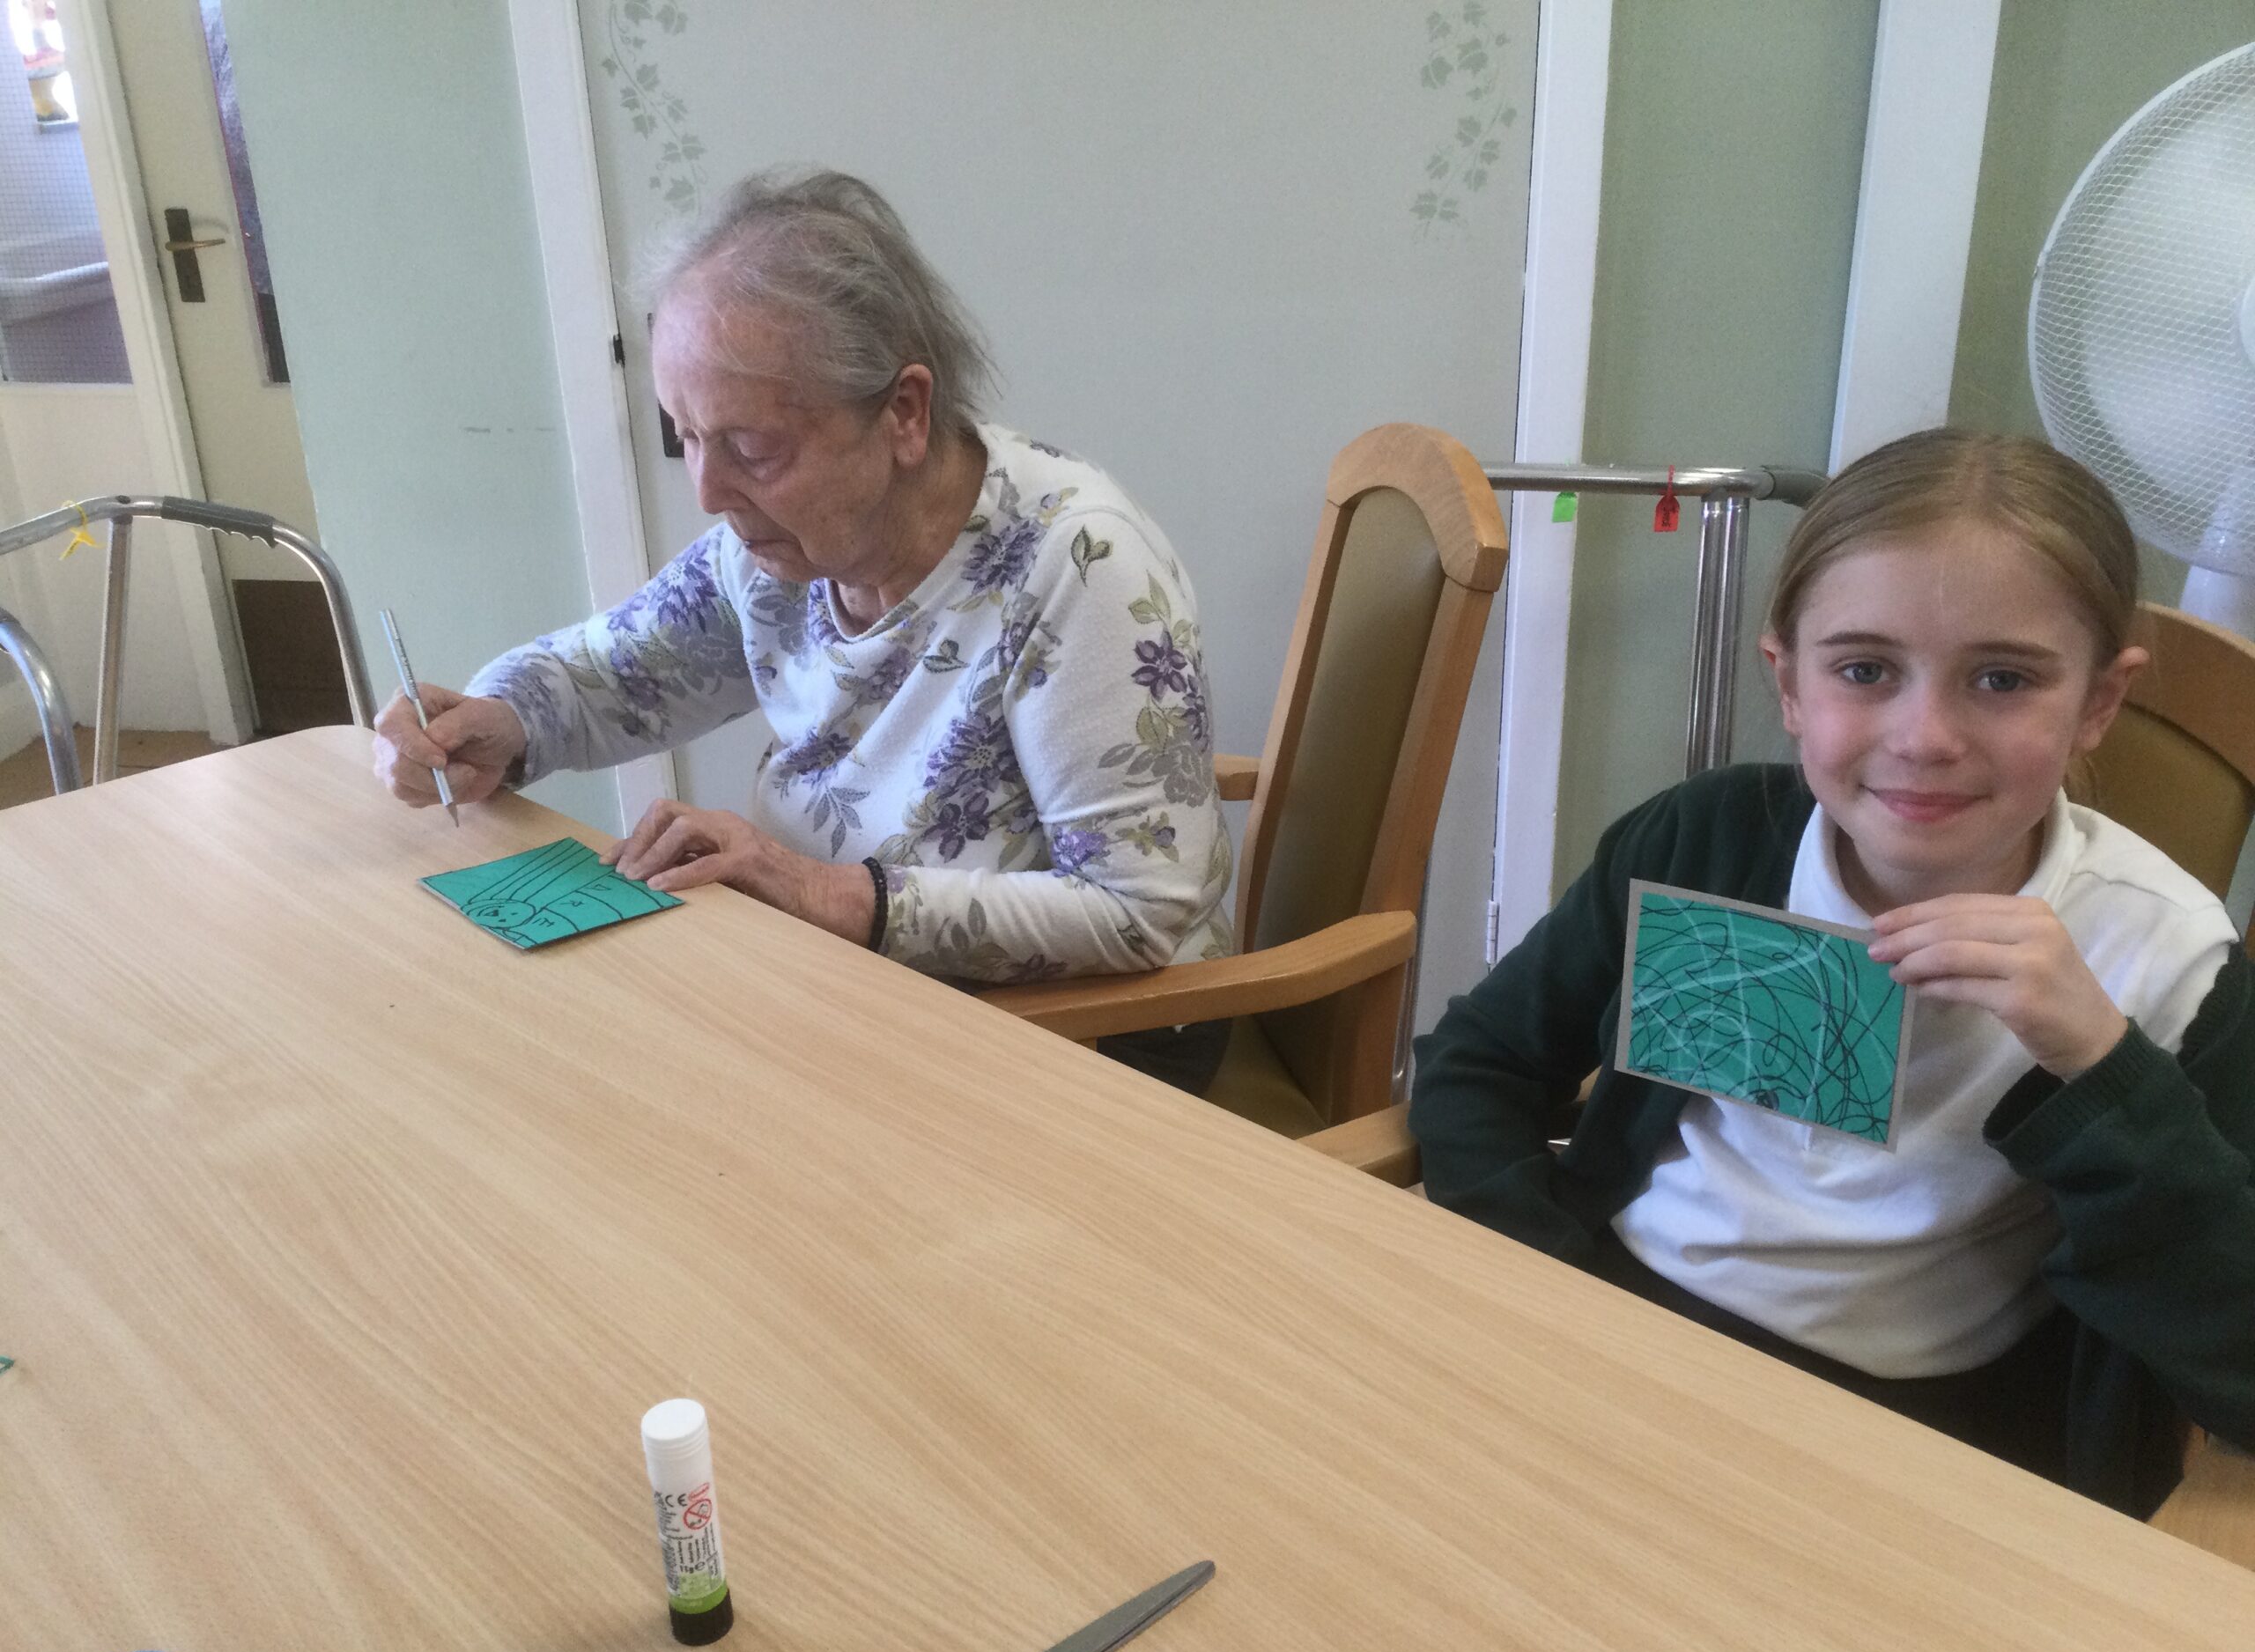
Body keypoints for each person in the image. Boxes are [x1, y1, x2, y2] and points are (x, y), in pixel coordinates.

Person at [1411, 429, 2255, 1515]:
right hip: (1614, 1329)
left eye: (2002, 680)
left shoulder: (2167, 956)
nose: (1924, 736)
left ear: (2097, 702)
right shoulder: (1702, 844)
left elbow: (2237, 1359)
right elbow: (1479, 1065)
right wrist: (1547, 1281)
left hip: (1919, 1447)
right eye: (1864, 670)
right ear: (1791, 682)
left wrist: (2099, 1068)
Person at [372, 168, 1233, 1089]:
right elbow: (613, 676)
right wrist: (501, 720)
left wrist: (814, 890)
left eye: (752, 449)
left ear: (903, 414)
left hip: (1085, 1031)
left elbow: (1136, 913)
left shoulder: (1078, 565)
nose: (708, 492)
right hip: (857, 981)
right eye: (685, 437)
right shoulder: (772, 551)